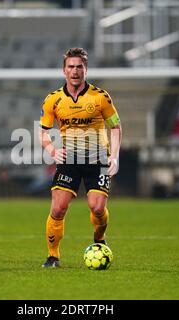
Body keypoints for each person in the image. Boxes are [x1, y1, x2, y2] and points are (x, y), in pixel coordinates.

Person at [39, 48, 122, 268]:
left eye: (79, 67)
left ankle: (99, 239)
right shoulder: (53, 100)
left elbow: (116, 127)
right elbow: (43, 132)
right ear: (64, 70)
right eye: (71, 67)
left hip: (98, 159)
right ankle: (53, 256)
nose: (75, 71)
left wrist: (114, 157)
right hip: (70, 160)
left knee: (97, 208)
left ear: (86, 69)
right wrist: (53, 151)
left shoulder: (100, 97)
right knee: (57, 209)